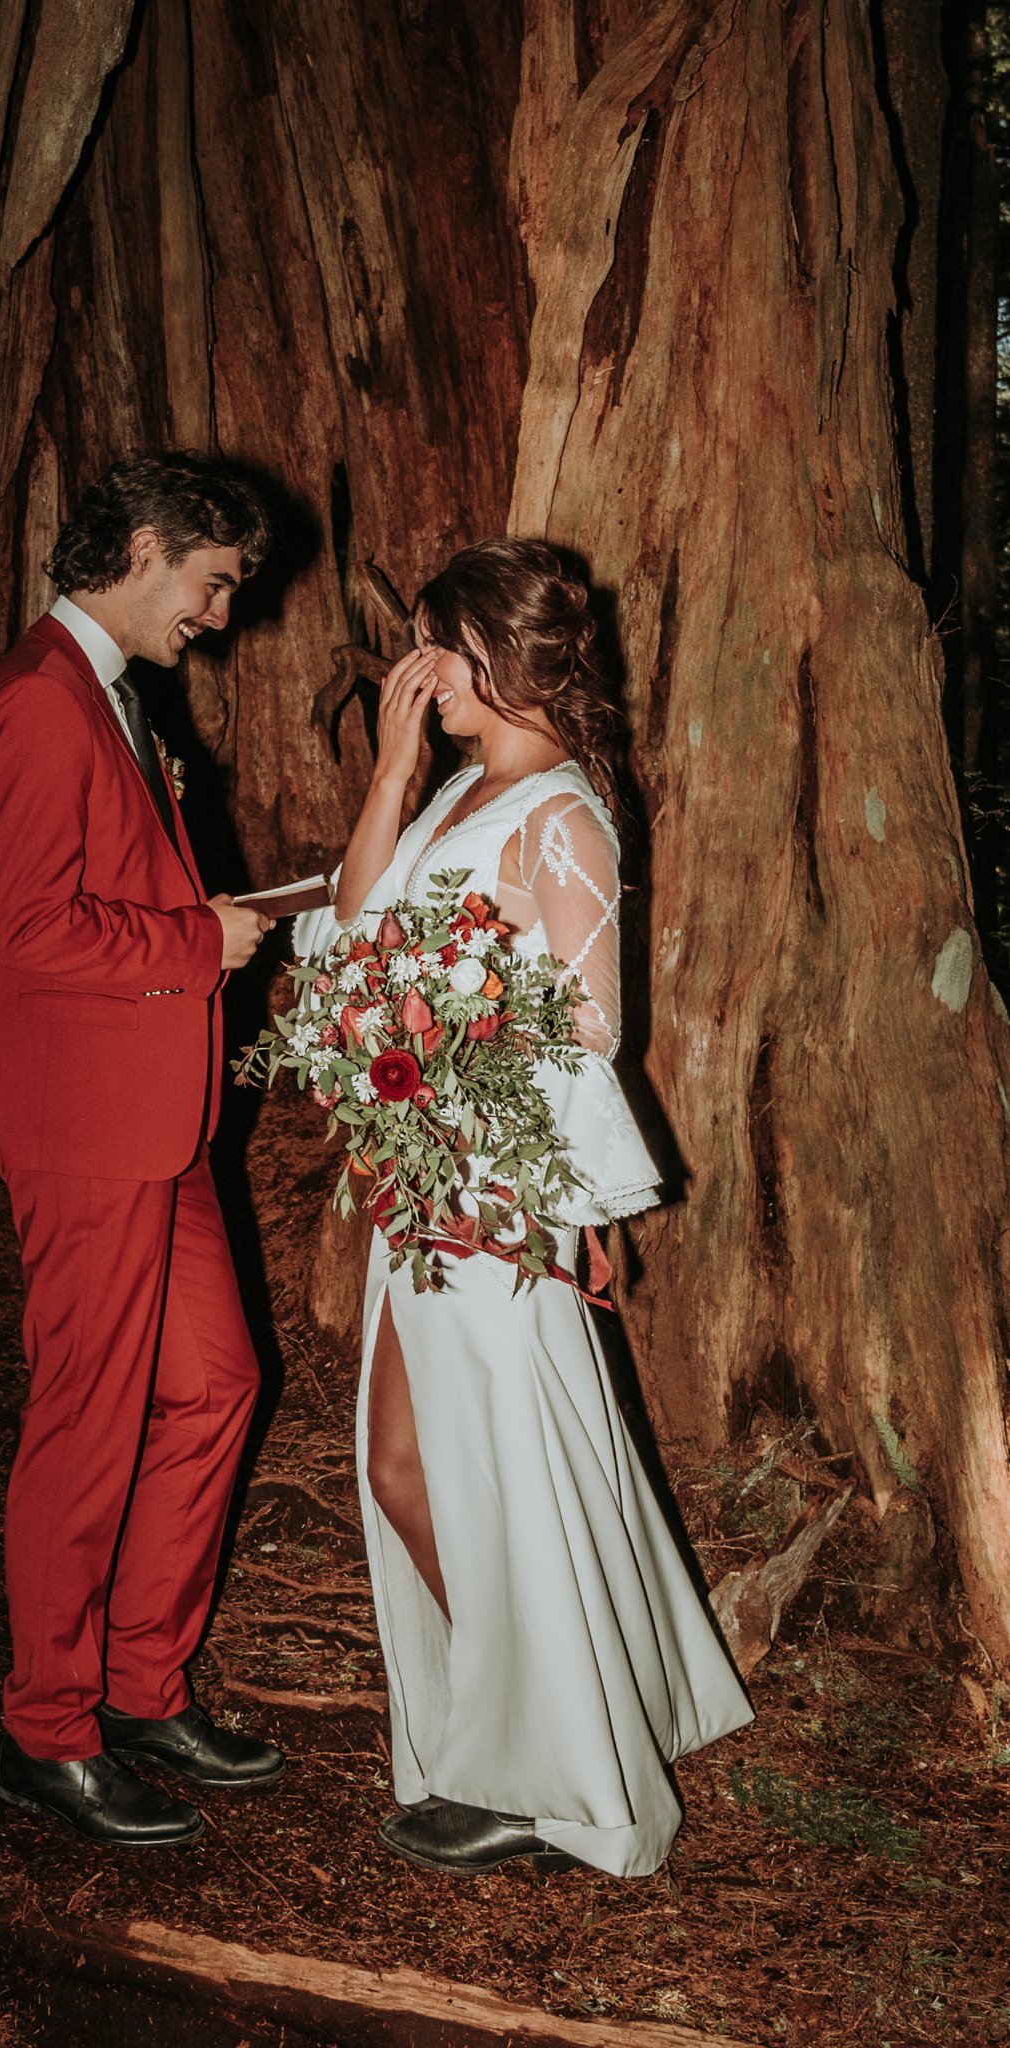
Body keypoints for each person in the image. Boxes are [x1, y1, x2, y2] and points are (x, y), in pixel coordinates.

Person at [295, 537, 752, 1878]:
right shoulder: (456, 791)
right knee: (401, 1470)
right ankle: (537, 1733)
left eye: (435, 649)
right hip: (418, 1178)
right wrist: (390, 775)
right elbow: (356, 925)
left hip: (488, 1192)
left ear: (496, 654)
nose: (417, 673)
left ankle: (563, 1781)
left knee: (491, 1473)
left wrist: (468, 1098)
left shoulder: (562, 815)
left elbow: (591, 1027)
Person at [0, 453, 284, 1850]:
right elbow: (27, 929)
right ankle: (46, 1730)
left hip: (162, 1121)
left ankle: (142, 1685)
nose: (218, 615)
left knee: (216, 1388)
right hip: (88, 1126)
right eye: (212, 583)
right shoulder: (39, 697)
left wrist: (199, 918)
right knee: (88, 1420)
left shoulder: (109, 692)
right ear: (144, 549)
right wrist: (197, 942)